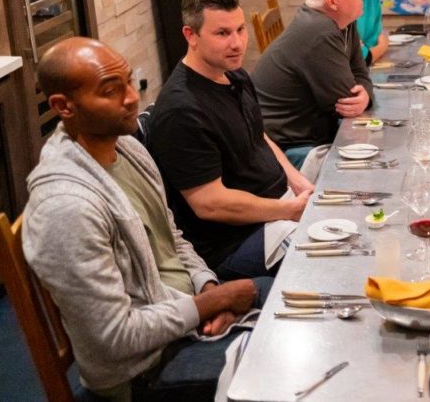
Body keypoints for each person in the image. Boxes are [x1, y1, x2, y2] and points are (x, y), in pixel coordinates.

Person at [22, 37, 269, 398]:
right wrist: (207, 305)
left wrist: (208, 286)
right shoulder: (65, 207)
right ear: (64, 106)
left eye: (127, 80)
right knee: (286, 365)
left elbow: (172, 237)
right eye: (110, 90)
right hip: (144, 371)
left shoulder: (128, 147)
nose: (131, 96)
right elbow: (113, 339)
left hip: (182, 317)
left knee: (297, 299)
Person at [147, 0, 313, 280]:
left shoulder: (234, 75)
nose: (237, 43)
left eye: (240, 30)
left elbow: (258, 137)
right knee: (334, 262)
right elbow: (210, 204)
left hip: (278, 209)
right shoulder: (182, 110)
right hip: (235, 244)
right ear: (191, 36)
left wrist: (297, 181)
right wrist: (287, 211)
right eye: (222, 34)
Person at [253, 0, 375, 167]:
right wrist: (363, 95)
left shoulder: (344, 22)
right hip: (289, 149)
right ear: (332, 2)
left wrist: (366, 95)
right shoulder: (319, 33)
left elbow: (359, 72)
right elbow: (345, 101)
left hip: (311, 134)